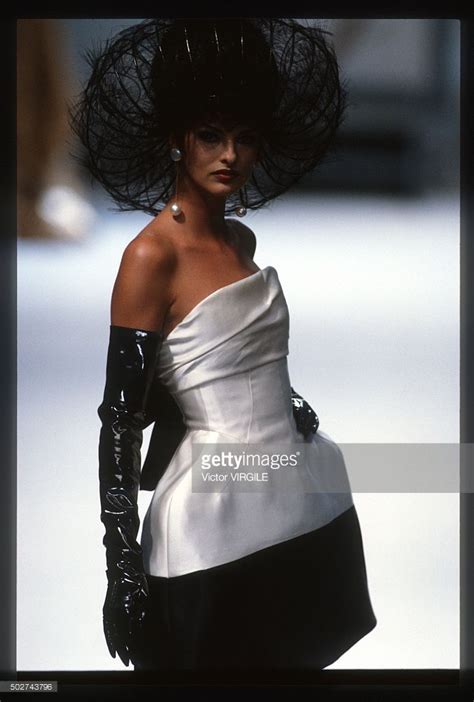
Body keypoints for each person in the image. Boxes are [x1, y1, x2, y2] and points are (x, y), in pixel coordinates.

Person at [68, 17, 377, 677]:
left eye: (246, 138)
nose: (229, 155)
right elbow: (120, 421)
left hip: (295, 493)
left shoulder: (241, 245)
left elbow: (230, 366)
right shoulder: (152, 256)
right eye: (211, 134)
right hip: (211, 518)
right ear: (178, 137)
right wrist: (121, 565)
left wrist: (284, 402)